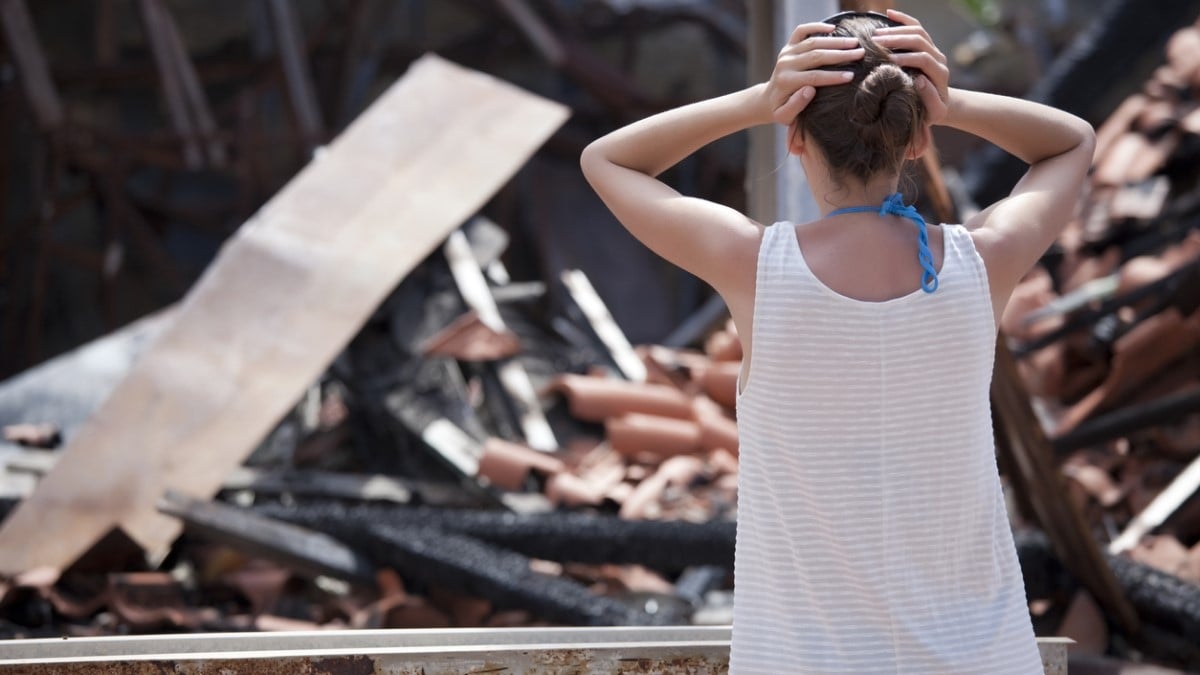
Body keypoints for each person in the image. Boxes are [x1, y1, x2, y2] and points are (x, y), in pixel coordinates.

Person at [580, 8, 1094, 674]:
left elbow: (608, 159)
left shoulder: (754, 266)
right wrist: (952, 100)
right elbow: (1072, 141)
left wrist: (758, 101)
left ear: (795, 136)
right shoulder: (981, 262)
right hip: (983, 657)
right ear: (917, 139)